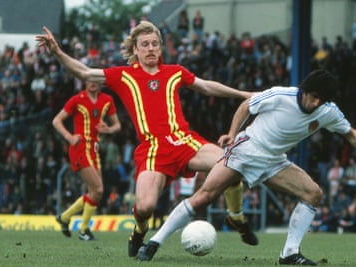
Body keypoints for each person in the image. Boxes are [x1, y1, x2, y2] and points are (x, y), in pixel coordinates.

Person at [36, 20, 257, 255]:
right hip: (153, 148)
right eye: (145, 45)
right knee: (145, 207)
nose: (150, 48)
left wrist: (243, 94)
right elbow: (84, 72)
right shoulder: (124, 76)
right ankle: (139, 231)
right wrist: (57, 52)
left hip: (184, 141)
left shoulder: (174, 72)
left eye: (154, 44)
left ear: (160, 48)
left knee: (230, 162)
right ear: (135, 50)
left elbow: (206, 86)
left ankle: (236, 217)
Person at [138, 69, 356, 265]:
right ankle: (154, 242)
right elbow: (246, 106)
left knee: (313, 193)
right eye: (314, 96)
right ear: (305, 90)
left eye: (322, 100)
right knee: (204, 197)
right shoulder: (281, 95)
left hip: (274, 161)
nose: (316, 103)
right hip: (246, 150)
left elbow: (350, 133)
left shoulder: (327, 111)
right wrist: (232, 134)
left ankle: (289, 254)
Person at [53, 79, 121, 240]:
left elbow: (117, 125)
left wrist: (108, 129)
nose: (92, 83)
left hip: (95, 149)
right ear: (84, 82)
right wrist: (69, 137)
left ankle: (65, 218)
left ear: (101, 84)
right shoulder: (77, 99)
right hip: (79, 148)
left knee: (96, 193)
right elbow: (56, 120)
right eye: (89, 80)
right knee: (97, 190)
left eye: (96, 80)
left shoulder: (107, 100)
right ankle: (83, 230)